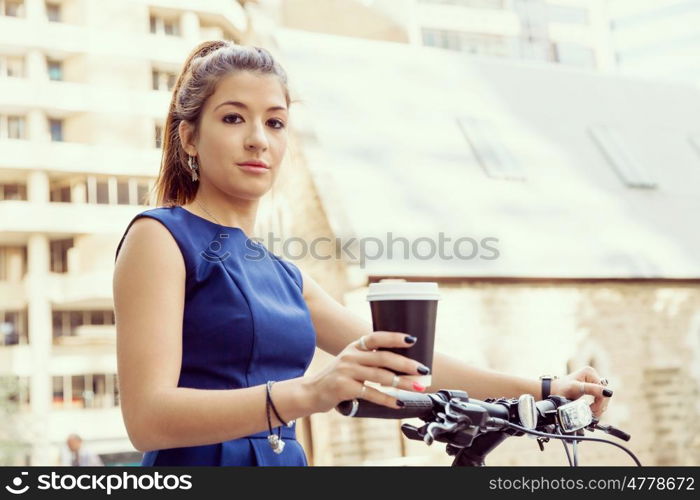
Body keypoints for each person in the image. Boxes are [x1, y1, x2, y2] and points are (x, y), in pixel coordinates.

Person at [112, 40, 613, 466]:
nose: (257, 139)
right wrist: (310, 393)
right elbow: (148, 419)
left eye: (276, 122)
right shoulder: (159, 238)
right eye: (233, 118)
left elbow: (412, 362)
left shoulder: (283, 274)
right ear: (189, 138)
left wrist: (546, 388)